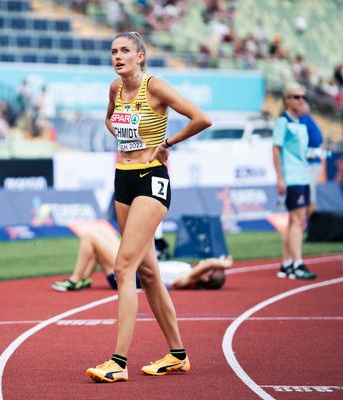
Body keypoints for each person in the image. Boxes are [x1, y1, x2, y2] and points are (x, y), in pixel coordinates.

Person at [85, 31, 212, 383]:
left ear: (141, 56)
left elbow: (201, 118)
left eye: (125, 50)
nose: (118, 56)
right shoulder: (114, 88)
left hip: (152, 179)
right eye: (113, 51)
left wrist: (165, 143)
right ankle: (177, 354)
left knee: (124, 268)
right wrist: (126, 138)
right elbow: (110, 120)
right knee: (149, 273)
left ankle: (118, 362)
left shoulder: (155, 87)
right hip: (122, 179)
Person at [52, 226, 230, 292]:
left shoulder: (187, 280)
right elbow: (208, 265)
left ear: (206, 275)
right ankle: (83, 279)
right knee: (101, 231)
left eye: (210, 268)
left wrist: (221, 264)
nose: (207, 262)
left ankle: (75, 280)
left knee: (90, 236)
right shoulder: (189, 271)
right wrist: (218, 265)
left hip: (130, 276)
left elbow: (210, 263)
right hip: (135, 266)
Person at [272, 82, 316, 280]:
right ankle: (297, 264)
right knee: (298, 221)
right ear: (287, 100)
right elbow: (276, 149)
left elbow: (300, 151)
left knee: (293, 221)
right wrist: (280, 178)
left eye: (303, 97)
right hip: (292, 177)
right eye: (296, 97)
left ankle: (287, 263)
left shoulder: (300, 122)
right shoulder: (283, 121)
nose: (301, 100)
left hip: (302, 175)